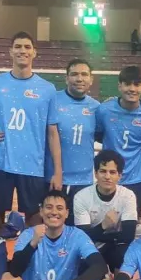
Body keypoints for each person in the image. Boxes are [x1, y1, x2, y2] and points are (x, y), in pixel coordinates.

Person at [0, 32, 59, 230]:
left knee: (35, 221)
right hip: (1, 163)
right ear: (11, 51)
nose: (23, 50)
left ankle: (29, 260)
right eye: (18, 46)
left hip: (33, 165)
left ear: (34, 53)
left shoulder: (47, 89)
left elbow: (52, 133)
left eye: (27, 47)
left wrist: (58, 171)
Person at [96, 65, 141, 214]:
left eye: (137, 85)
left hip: (136, 180)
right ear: (119, 86)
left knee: (135, 227)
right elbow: (98, 135)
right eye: (127, 84)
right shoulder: (104, 110)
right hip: (109, 178)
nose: (132, 89)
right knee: (107, 224)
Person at [47, 59, 101, 217]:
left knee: (80, 230)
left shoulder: (97, 108)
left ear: (91, 80)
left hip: (84, 182)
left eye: (84, 74)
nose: (79, 79)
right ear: (66, 78)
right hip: (54, 179)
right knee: (50, 227)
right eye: (74, 74)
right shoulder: (53, 101)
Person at [74, 151, 138, 272]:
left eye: (112, 172)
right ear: (96, 174)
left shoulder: (128, 196)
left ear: (120, 175)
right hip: (92, 246)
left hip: (118, 245)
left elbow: (128, 235)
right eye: (103, 171)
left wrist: (98, 235)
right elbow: (82, 237)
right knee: (84, 263)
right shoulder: (81, 197)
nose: (107, 176)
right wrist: (103, 226)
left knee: (123, 256)